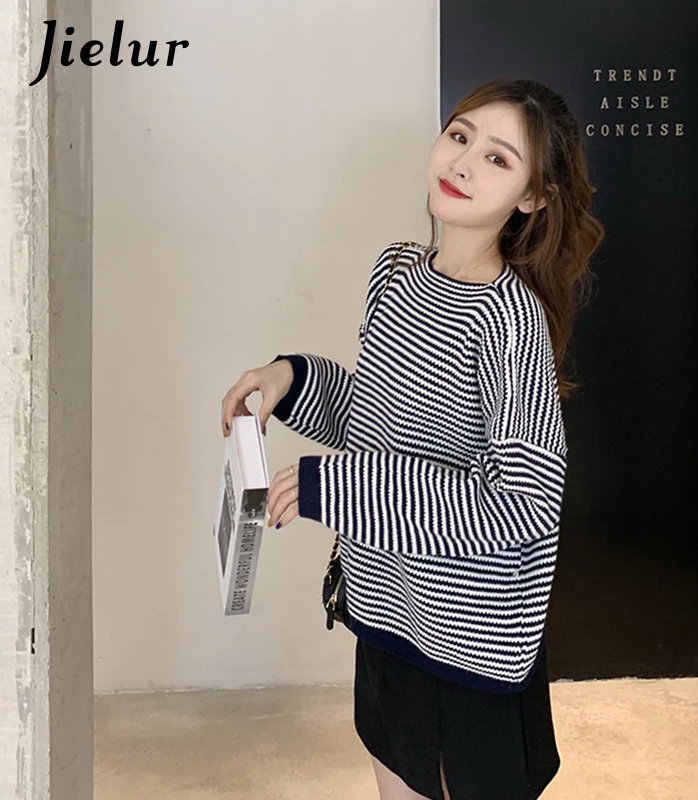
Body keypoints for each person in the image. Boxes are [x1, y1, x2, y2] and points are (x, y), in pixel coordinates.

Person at [220, 76, 604, 800]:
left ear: (533, 197)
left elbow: (522, 503)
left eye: (497, 158)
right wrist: (290, 378)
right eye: (459, 136)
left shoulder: (510, 323)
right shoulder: (395, 273)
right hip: (384, 609)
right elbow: (375, 420)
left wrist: (336, 488)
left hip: (472, 643)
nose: (462, 163)